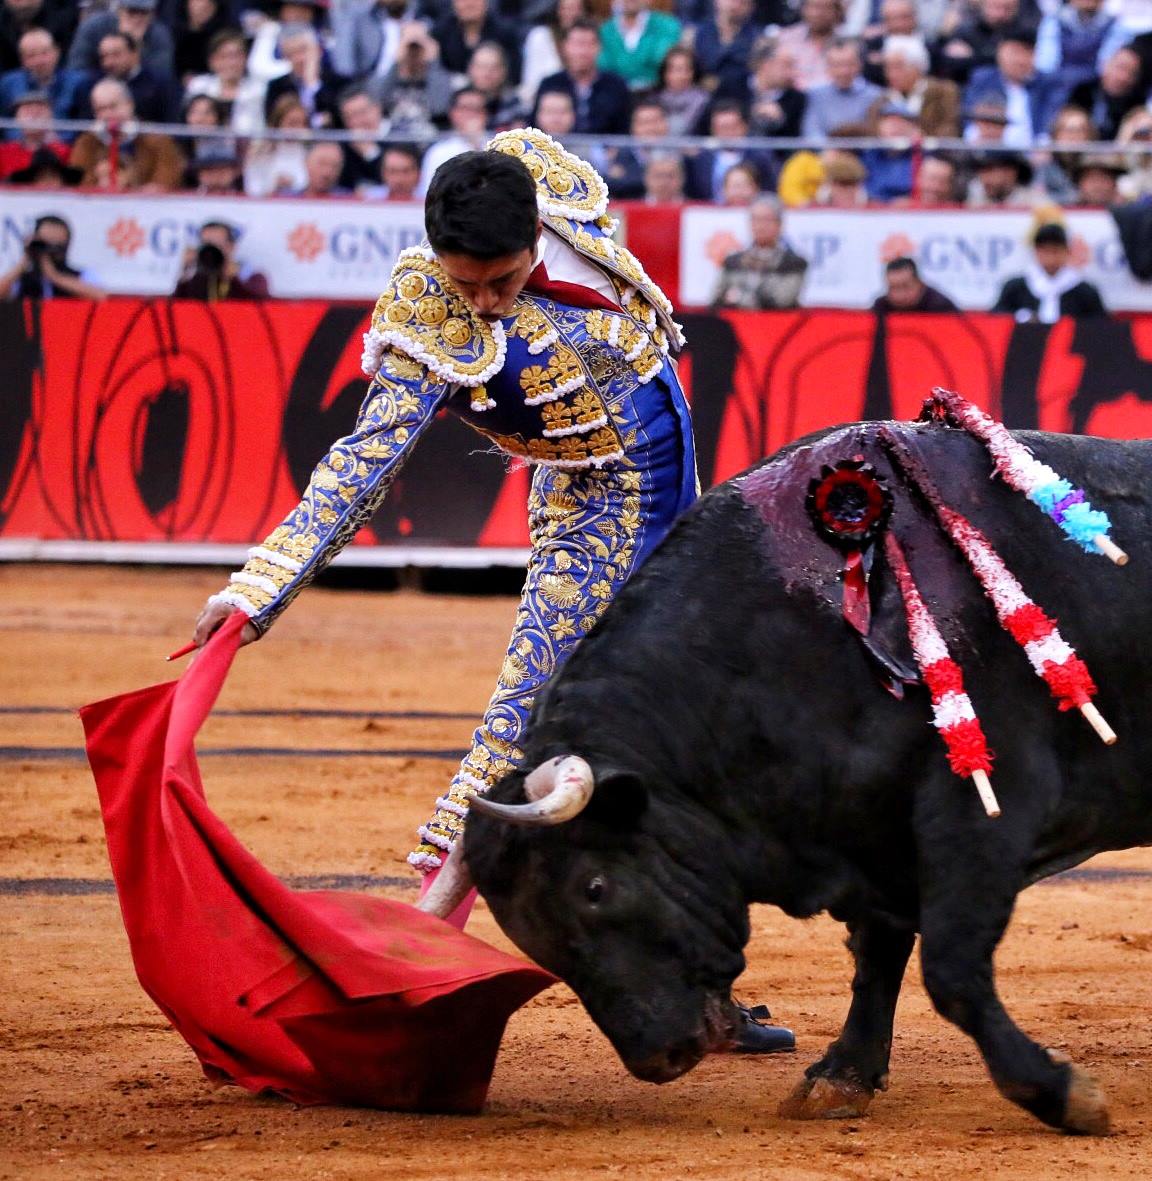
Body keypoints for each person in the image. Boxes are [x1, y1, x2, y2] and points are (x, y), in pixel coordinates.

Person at [187, 132, 796, 1053]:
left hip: (682, 511)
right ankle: (408, 967)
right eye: (463, 283)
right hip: (592, 517)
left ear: (535, 234)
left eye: (501, 282)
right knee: (521, 718)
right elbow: (360, 467)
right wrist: (258, 587)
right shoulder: (426, 318)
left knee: (688, 751)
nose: (480, 302)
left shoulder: (543, 183)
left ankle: (703, 991)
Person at [68, 79, 185, 191]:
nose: (107, 114)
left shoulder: (158, 140)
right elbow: (77, 184)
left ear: (130, 104)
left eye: (113, 106)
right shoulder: (86, 142)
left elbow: (167, 181)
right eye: (100, 109)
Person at [992, 222, 1106, 323]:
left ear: (1067, 252)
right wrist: (1021, 317)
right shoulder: (1016, 287)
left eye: (1055, 251)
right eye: (1045, 251)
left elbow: (1100, 324)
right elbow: (996, 317)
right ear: (1036, 252)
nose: (1050, 258)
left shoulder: (1084, 291)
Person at [711, 196, 809, 308]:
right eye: (756, 219)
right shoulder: (733, 261)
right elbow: (716, 299)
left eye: (766, 219)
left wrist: (740, 297)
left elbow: (782, 300)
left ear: (780, 224)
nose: (760, 226)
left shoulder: (793, 263)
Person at [536, 22, 632, 135]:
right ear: (564, 47)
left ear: (599, 47)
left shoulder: (616, 86)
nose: (583, 52)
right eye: (577, 44)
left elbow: (625, 130)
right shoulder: (549, 84)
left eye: (589, 44)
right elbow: (534, 126)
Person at [868, 34, 960, 136]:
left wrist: (917, 134)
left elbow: (951, 132)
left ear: (917, 66)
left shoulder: (943, 93)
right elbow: (871, 134)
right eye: (888, 67)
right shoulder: (881, 101)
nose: (891, 74)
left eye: (898, 67)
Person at [2, 215, 104, 301]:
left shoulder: (82, 275)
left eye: (57, 245)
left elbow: (103, 297)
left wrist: (54, 276)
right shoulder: (21, 280)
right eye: (44, 243)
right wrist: (24, 261)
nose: (50, 250)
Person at [0, 28, 84, 120]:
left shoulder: (79, 83)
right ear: (22, 60)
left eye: (44, 53)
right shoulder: (8, 84)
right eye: (31, 55)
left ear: (56, 52)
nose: (39, 61)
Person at [803, 37, 882, 135]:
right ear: (827, 66)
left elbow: (877, 134)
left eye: (849, 64)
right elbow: (812, 132)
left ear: (860, 64)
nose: (843, 71)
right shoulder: (814, 95)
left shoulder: (877, 96)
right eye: (837, 65)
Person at [597, 0, 683, 90]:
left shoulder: (667, 26)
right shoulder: (605, 30)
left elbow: (663, 61)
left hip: (657, 93)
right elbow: (603, 68)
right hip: (614, 94)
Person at [172, 221, 269, 301]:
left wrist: (232, 279)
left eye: (217, 244)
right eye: (206, 244)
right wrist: (185, 271)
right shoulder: (199, 278)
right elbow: (180, 307)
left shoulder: (251, 276)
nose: (211, 251)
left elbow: (258, 305)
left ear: (231, 247)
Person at [873, 255, 959, 311]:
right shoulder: (881, 308)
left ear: (919, 283)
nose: (900, 295)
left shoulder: (941, 307)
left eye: (905, 287)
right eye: (893, 288)